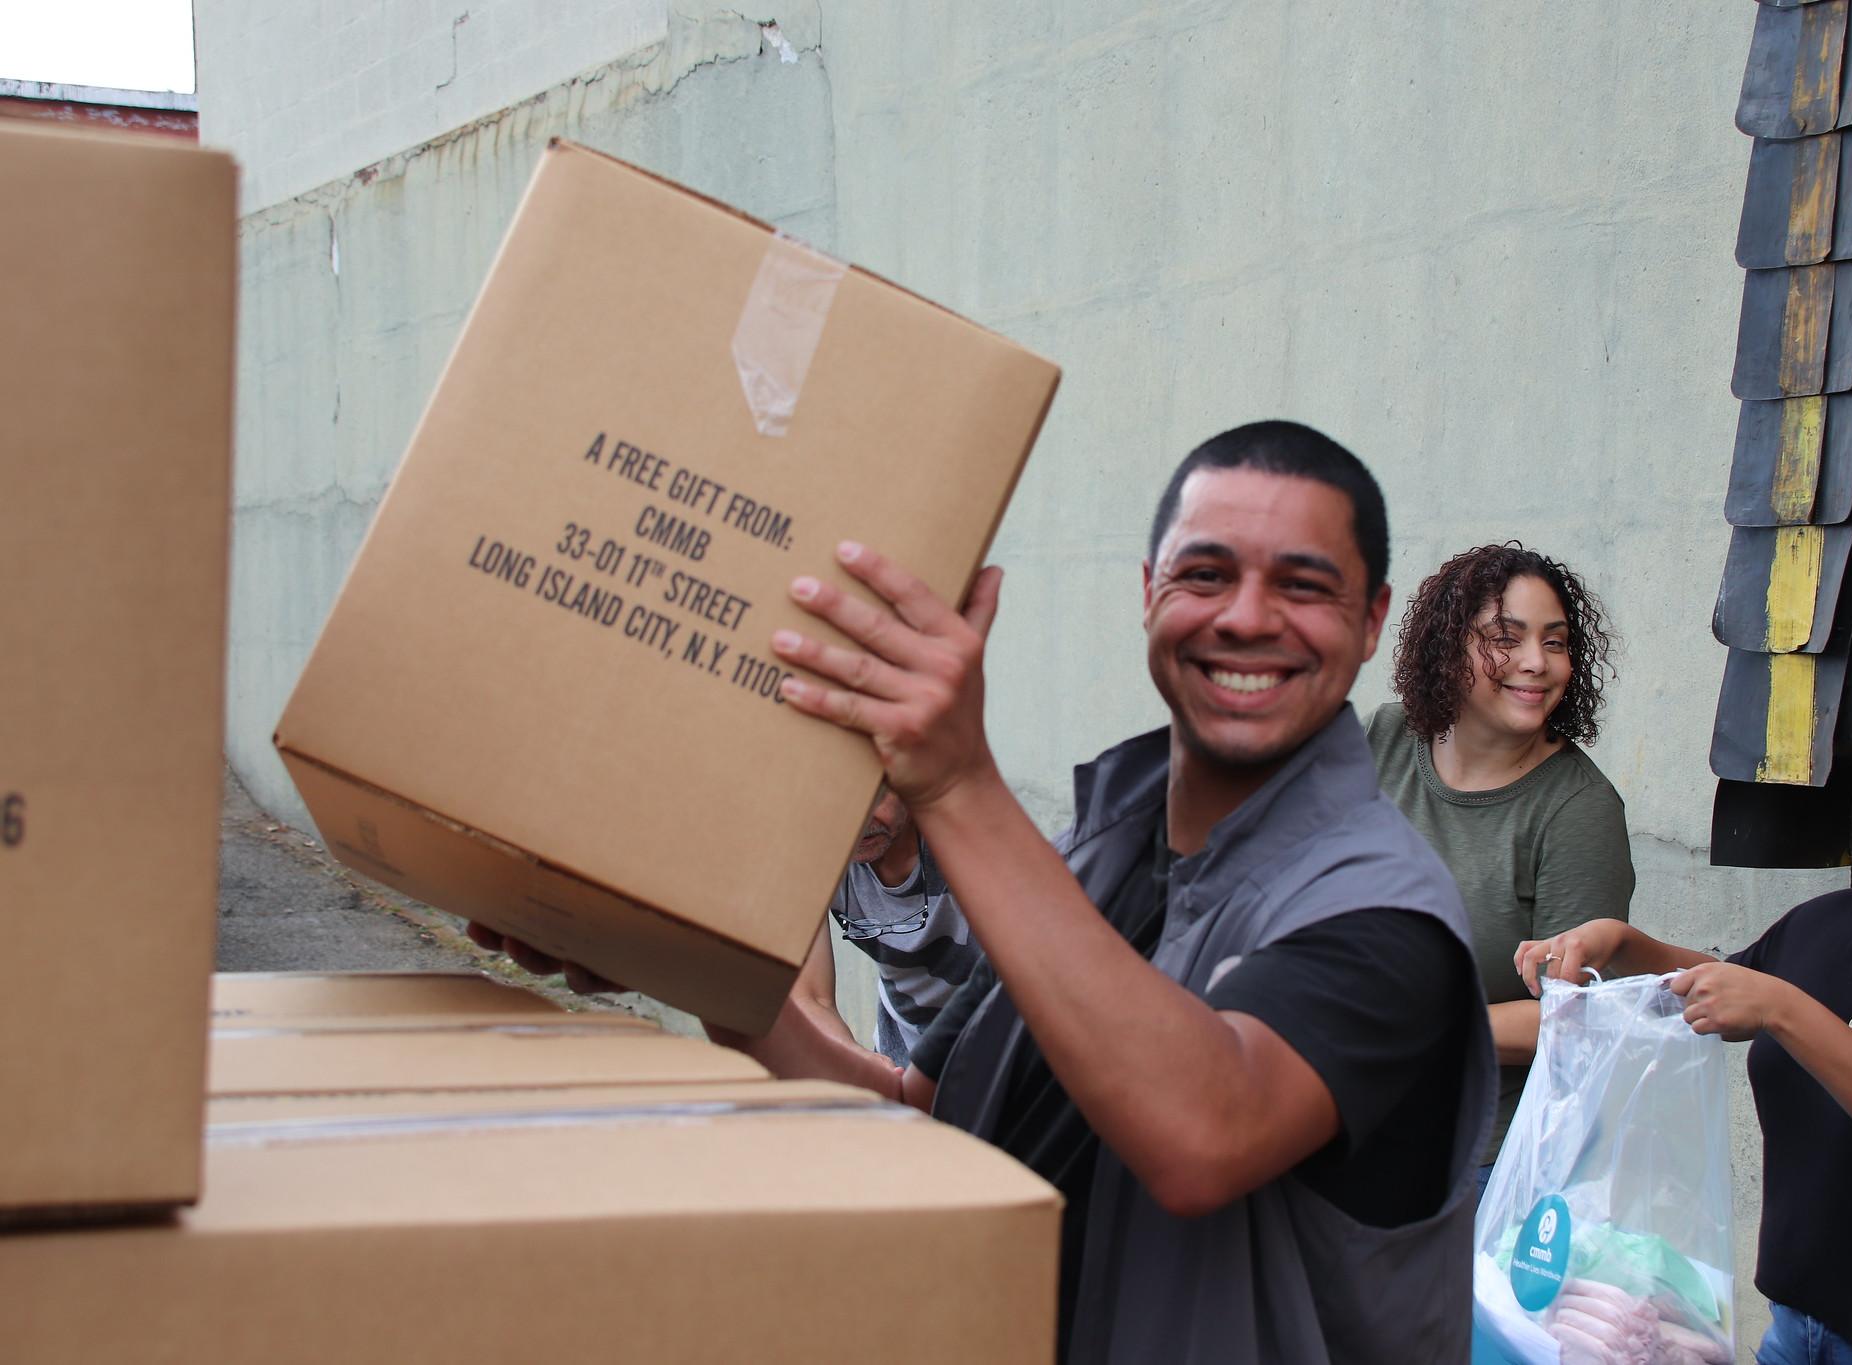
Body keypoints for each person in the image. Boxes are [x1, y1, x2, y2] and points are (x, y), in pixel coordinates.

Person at [768, 420, 1496, 1363]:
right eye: (1204, 574)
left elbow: (1203, 1131)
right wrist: (704, 971)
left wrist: (953, 784)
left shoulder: (1389, 917)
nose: (1245, 616)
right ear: (1148, 591)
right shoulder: (1087, 860)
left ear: (1370, 621)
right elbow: (911, 1116)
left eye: (1303, 584)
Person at [1518, 676, 1852, 1364]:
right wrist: (1622, 944)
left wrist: (1784, 1008)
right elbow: (1719, 990)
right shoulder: (1835, 922)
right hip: (1802, 1331)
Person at [1367, 542, 1630, 1173]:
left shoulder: (1578, 809)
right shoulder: (1383, 738)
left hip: (1488, 1167)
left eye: (1556, 642)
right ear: (1446, 649)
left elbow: (1572, 1019)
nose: (1536, 663)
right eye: (1505, 638)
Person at [468, 786, 974, 1100]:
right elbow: (809, 998)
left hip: (990, 1051)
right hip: (904, 1053)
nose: (860, 817)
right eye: (844, 795)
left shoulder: (963, 847)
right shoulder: (819, 850)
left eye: (878, 793)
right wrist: (856, 1075)